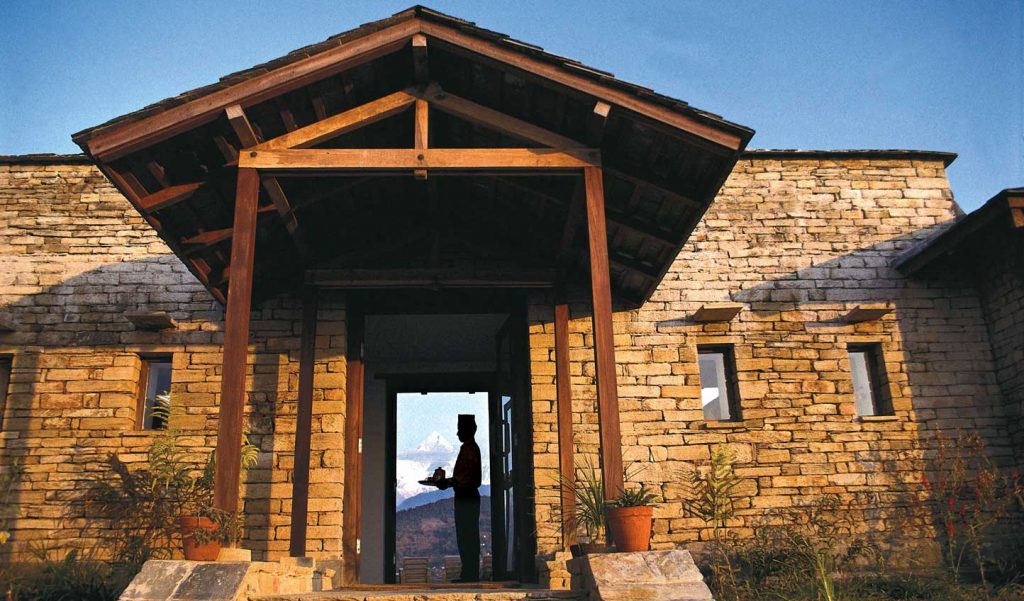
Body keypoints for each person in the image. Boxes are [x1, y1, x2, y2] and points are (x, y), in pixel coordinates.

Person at [437, 414, 481, 582]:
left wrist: (447, 482)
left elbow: (466, 477)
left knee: (467, 535)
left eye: (460, 430)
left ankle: (470, 574)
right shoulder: (469, 448)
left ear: (468, 430)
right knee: (465, 535)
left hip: (467, 497)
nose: (457, 434)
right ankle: (468, 573)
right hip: (465, 496)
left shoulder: (470, 449)